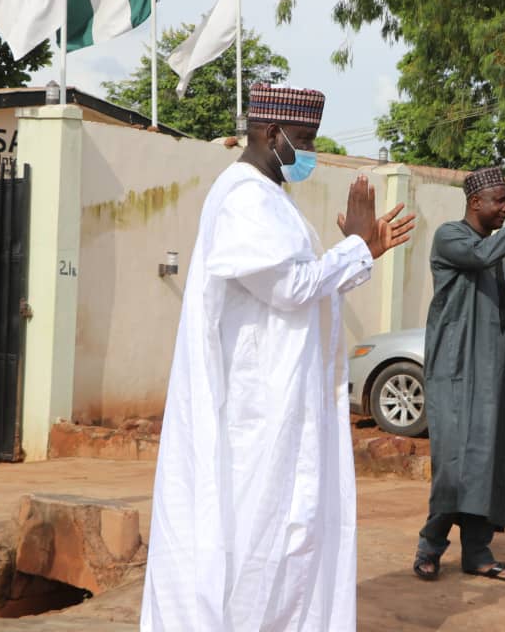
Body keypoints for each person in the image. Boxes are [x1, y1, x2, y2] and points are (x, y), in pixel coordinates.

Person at [141, 83, 416, 631]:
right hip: (256, 410)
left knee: (291, 534)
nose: (311, 152)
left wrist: (361, 250)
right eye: (305, 140)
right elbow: (290, 287)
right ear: (272, 134)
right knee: (256, 537)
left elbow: (303, 288)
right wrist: (355, 248)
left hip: (281, 400)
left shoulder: (271, 197)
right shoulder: (244, 197)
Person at [412, 167, 505, 585]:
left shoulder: (497, 259)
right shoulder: (450, 237)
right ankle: (430, 546)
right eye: (500, 201)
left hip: (494, 375)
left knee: (488, 463)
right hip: (455, 370)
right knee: (455, 465)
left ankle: (478, 553)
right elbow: (481, 256)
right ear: (475, 202)